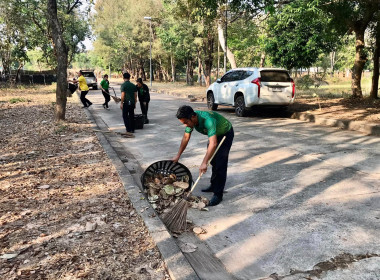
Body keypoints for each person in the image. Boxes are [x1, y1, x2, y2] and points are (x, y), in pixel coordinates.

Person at [172, 105, 234, 206]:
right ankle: (214, 185)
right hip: (213, 135)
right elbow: (186, 138)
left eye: (186, 122)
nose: (186, 125)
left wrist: (204, 162)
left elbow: (213, 143)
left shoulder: (208, 121)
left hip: (225, 134)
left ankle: (218, 194)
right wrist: (178, 155)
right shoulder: (190, 121)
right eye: (183, 124)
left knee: (220, 164)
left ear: (192, 117)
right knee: (213, 161)